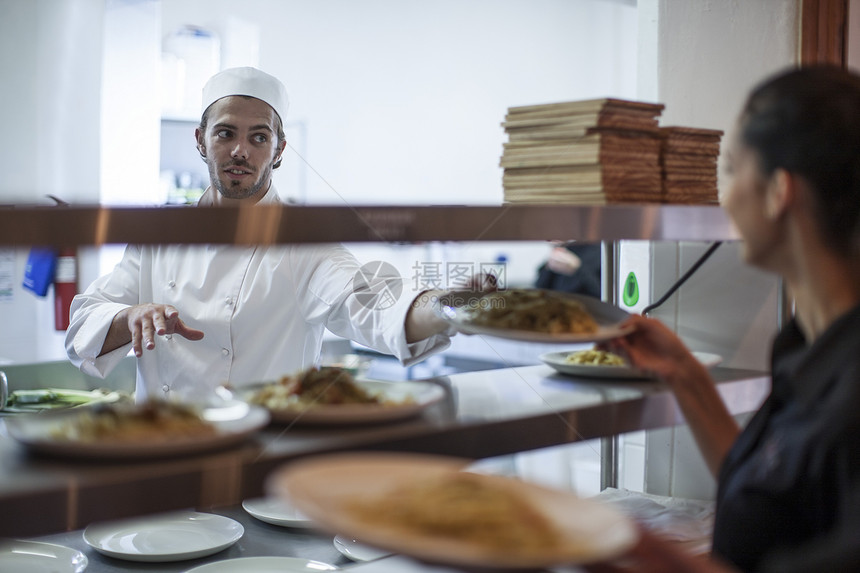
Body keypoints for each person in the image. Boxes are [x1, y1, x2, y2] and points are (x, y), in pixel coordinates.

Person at [591, 65, 860, 572]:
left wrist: (655, 559)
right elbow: (769, 499)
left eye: (734, 169)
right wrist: (684, 374)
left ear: (781, 192)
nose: (727, 195)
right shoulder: (805, 342)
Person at [65, 67, 459, 402]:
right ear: (200, 140)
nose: (241, 151)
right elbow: (83, 326)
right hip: (167, 458)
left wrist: (455, 305)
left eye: (258, 137)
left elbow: (375, 303)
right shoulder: (161, 237)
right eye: (225, 134)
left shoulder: (304, 244)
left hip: (262, 462)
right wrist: (129, 316)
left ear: (279, 149)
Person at [535, 241, 601, 297]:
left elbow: (600, 293)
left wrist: (578, 269)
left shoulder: (600, 250)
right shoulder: (564, 249)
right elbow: (540, 289)